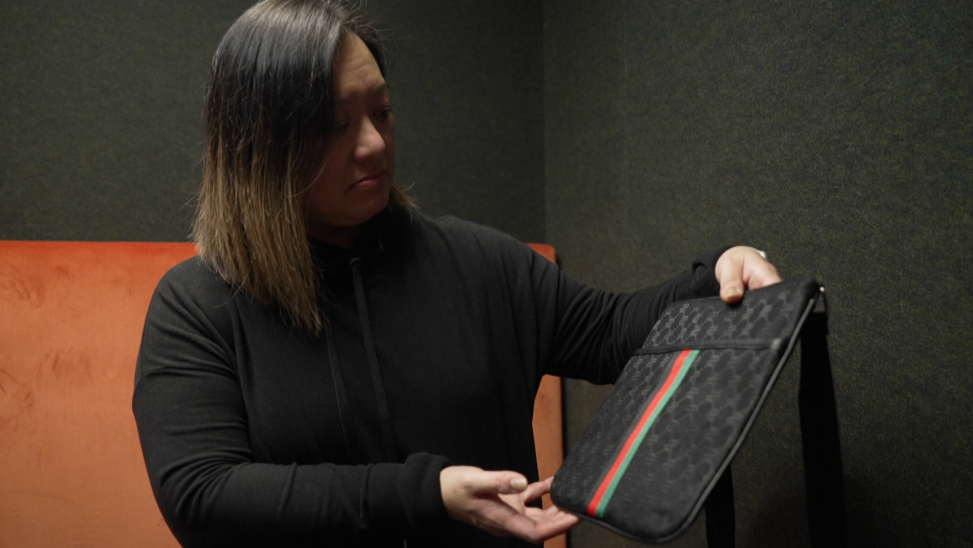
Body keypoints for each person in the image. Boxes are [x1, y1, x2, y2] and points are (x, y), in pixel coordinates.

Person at [132, 1, 781, 547]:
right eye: (334, 125)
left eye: (380, 111)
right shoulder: (195, 306)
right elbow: (202, 495)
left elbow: (613, 332)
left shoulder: (477, 262)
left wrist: (715, 273)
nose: (373, 144)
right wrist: (428, 493)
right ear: (258, 146)